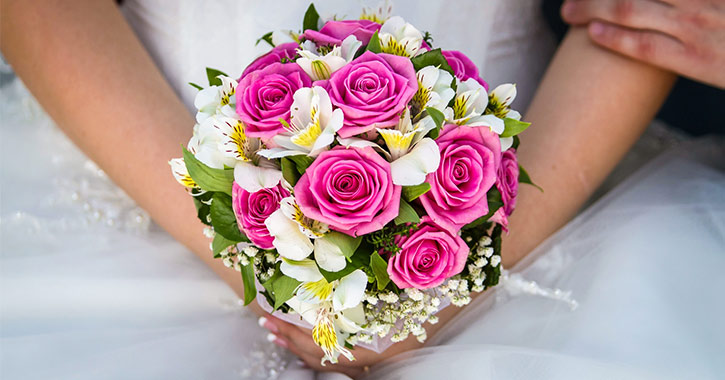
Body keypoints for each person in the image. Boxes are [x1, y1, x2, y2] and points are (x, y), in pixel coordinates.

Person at [0, 1, 721, 379]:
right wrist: (251, 239)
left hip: (536, 197)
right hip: (142, 174)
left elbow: (644, 18)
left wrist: (454, 267)